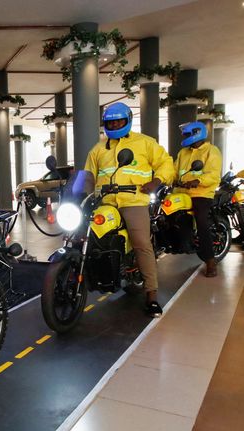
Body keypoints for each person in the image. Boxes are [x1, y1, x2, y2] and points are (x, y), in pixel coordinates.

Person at [84, 102, 176, 317]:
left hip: (133, 200)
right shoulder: (98, 148)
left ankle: (151, 295)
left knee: (141, 243)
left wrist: (157, 181)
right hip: (106, 202)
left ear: (128, 121)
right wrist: (81, 192)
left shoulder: (144, 143)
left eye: (118, 121)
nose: (114, 124)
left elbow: (166, 163)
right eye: (110, 122)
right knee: (85, 234)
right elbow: (88, 174)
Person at [174, 121, 222, 277]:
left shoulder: (211, 151)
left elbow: (213, 174)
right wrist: (163, 178)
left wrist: (197, 181)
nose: (184, 137)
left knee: (201, 220)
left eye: (187, 134)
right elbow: (174, 171)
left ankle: (210, 260)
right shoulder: (183, 152)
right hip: (180, 193)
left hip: (201, 194)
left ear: (197, 133)